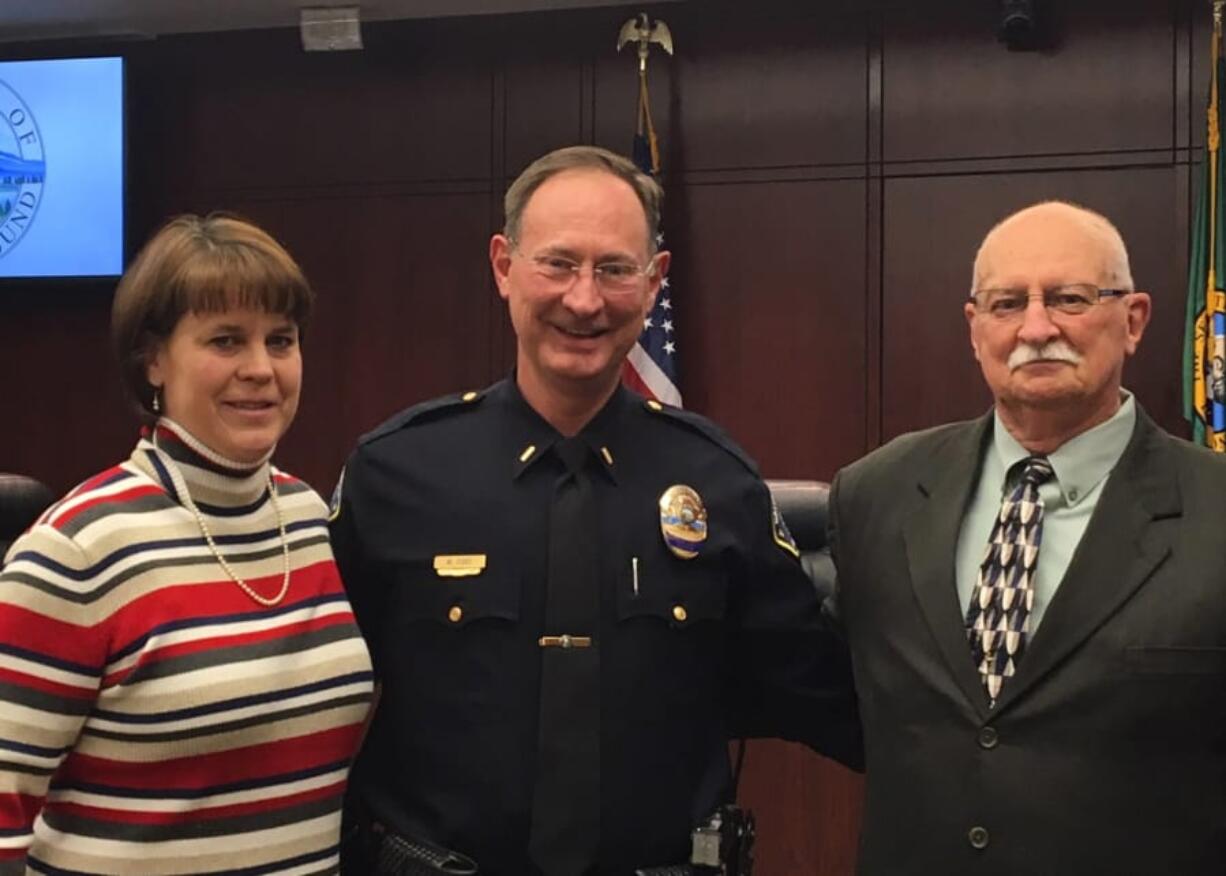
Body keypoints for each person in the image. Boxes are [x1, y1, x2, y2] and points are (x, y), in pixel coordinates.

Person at [330, 145, 861, 874]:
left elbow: (822, 691)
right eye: (558, 263)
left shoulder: (718, 481)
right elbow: (310, 701)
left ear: (654, 283)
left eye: (614, 269)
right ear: (502, 266)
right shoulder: (395, 474)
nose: (584, 300)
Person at [828, 200, 1226, 874]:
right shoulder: (878, 493)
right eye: (1007, 303)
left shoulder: (1214, 509)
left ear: (1133, 321)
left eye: (1069, 299)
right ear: (975, 328)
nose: (1037, 328)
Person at [0, 214, 374, 874]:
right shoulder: (77, 551)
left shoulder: (311, 516)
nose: (260, 369)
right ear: (153, 359)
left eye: (280, 340)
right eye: (226, 341)